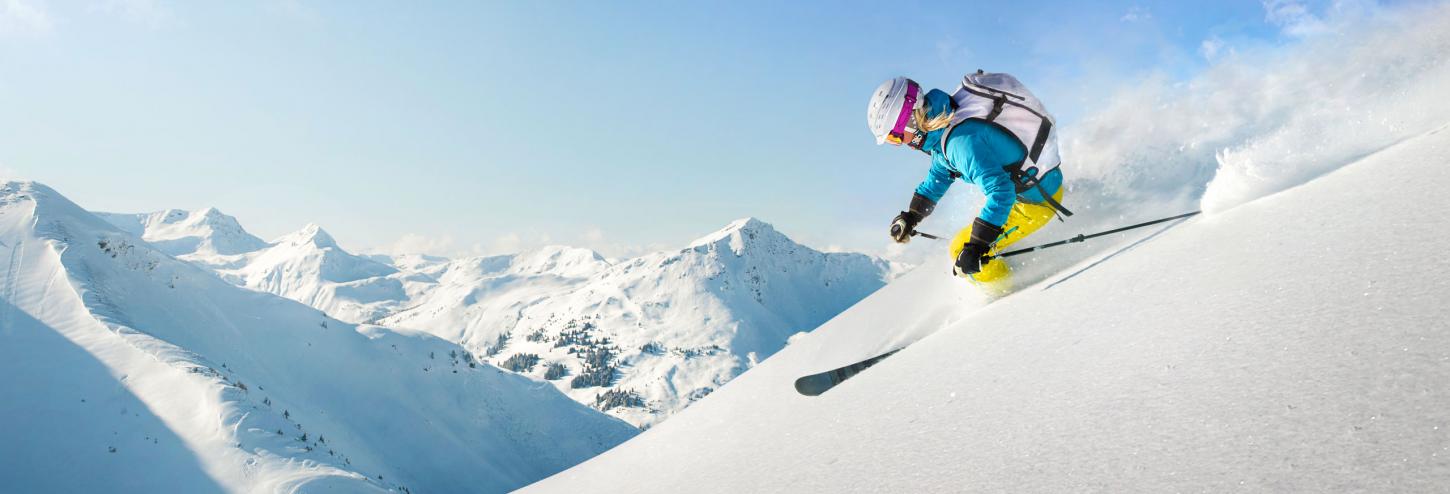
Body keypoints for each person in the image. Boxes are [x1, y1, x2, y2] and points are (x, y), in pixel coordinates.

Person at [866, 75, 1069, 291]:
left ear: (910, 122)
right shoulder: (944, 125)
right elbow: (939, 176)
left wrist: (978, 245)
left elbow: (1001, 191)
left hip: (1037, 204)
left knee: (958, 250)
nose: (899, 144)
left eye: (895, 138)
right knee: (966, 245)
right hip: (1036, 188)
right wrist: (912, 216)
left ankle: (1012, 295)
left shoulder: (960, 143)